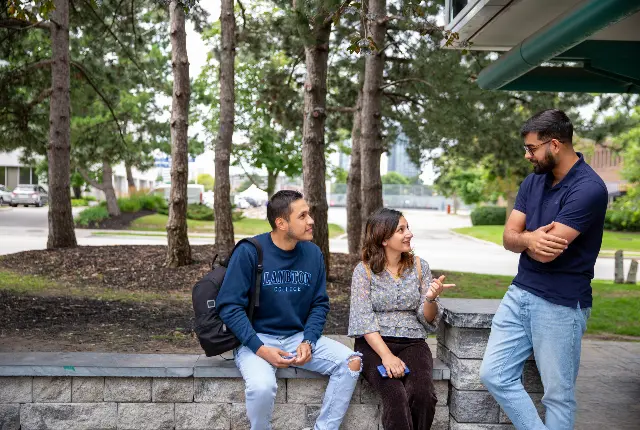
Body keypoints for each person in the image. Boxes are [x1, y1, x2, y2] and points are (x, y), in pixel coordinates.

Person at [479, 109, 608, 430]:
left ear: (554, 145)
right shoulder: (533, 181)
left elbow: (547, 253)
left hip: (561, 304)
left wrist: (524, 239)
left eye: (532, 148)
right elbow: (509, 237)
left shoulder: (588, 188)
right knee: (494, 374)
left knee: (558, 396)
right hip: (520, 292)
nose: (527, 155)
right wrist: (527, 239)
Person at [217, 190, 362, 430]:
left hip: (297, 339)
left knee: (351, 362)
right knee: (262, 386)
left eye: (309, 214)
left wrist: (309, 340)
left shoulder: (313, 253)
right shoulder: (250, 251)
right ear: (281, 223)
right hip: (257, 339)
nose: (311, 221)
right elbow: (229, 306)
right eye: (303, 216)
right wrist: (260, 349)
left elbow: (319, 304)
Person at [348, 208, 454, 430]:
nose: (409, 234)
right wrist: (386, 356)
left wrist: (431, 299)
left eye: (408, 228)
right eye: (401, 230)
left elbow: (428, 320)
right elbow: (363, 319)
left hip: (413, 342)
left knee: (423, 394)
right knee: (395, 395)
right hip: (373, 344)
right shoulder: (363, 271)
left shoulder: (419, 266)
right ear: (384, 238)